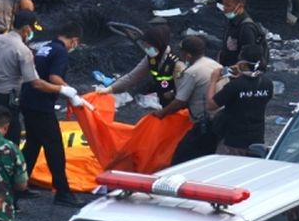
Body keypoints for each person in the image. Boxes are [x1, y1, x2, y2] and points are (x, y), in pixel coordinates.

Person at [0, 10, 83, 143]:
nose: (31, 34)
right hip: (6, 102)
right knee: (10, 145)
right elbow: (35, 83)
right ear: (26, 28)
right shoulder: (22, 50)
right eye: (31, 30)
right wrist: (62, 90)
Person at [19, 21, 84, 207]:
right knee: (54, 147)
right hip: (41, 105)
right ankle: (62, 191)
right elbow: (54, 77)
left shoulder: (45, 48)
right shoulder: (61, 52)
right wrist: (70, 92)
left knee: (32, 145)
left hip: (28, 100)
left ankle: (18, 185)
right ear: (74, 41)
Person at [158, 36, 222, 165]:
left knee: (180, 159)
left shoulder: (192, 72)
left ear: (187, 54)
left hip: (205, 123)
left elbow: (180, 102)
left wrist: (161, 113)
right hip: (221, 119)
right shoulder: (214, 64)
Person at [96, 24, 186, 107]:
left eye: (149, 46)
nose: (146, 49)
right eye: (145, 45)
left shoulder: (176, 62)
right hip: (165, 100)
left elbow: (185, 90)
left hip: (179, 104)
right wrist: (110, 89)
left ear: (158, 44)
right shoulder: (151, 58)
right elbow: (132, 77)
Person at [207, 44, 274, 156]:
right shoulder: (267, 83)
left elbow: (210, 105)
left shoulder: (235, 86)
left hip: (234, 140)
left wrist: (213, 80)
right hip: (256, 139)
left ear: (242, 64)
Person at [218, 0, 269, 69]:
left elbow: (249, 61)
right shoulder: (231, 21)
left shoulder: (246, 29)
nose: (224, 8)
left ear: (240, 6)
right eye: (224, 4)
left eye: (228, 5)